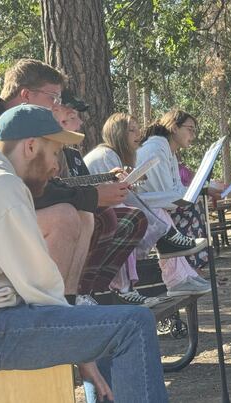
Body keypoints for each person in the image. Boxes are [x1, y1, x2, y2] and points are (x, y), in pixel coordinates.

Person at [0, 105, 169, 403]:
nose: (56, 167)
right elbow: (39, 285)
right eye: (54, 153)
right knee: (134, 324)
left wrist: (82, 339)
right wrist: (81, 350)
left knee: (108, 324)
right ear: (30, 146)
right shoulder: (0, 184)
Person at [0, 58, 137, 304]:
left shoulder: (9, 126)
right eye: (53, 98)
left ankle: (68, 303)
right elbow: (25, 191)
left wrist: (90, 196)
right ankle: (46, 310)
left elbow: (27, 189)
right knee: (63, 218)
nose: (56, 106)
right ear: (26, 95)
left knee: (83, 215)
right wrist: (93, 195)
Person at [85, 112, 212, 297]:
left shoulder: (113, 155)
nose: (138, 134)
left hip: (106, 217)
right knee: (149, 213)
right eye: (131, 130)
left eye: (138, 129)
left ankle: (180, 273)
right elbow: (121, 198)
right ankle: (163, 274)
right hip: (97, 222)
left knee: (155, 211)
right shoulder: (107, 155)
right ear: (117, 133)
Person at [51, 90, 153, 305]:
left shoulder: (72, 154)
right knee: (105, 216)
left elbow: (81, 184)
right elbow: (52, 189)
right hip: (61, 220)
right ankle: (79, 293)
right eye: (72, 117)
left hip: (77, 212)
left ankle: (92, 289)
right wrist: (98, 194)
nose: (80, 123)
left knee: (134, 217)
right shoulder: (48, 151)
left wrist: (107, 177)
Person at [136, 111, 224, 271]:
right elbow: (168, 197)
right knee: (190, 209)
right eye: (190, 129)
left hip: (157, 206)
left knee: (194, 204)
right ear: (174, 128)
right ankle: (187, 271)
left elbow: (175, 190)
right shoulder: (155, 150)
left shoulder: (169, 151)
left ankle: (192, 270)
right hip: (146, 210)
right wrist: (203, 189)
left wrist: (203, 189)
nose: (193, 135)